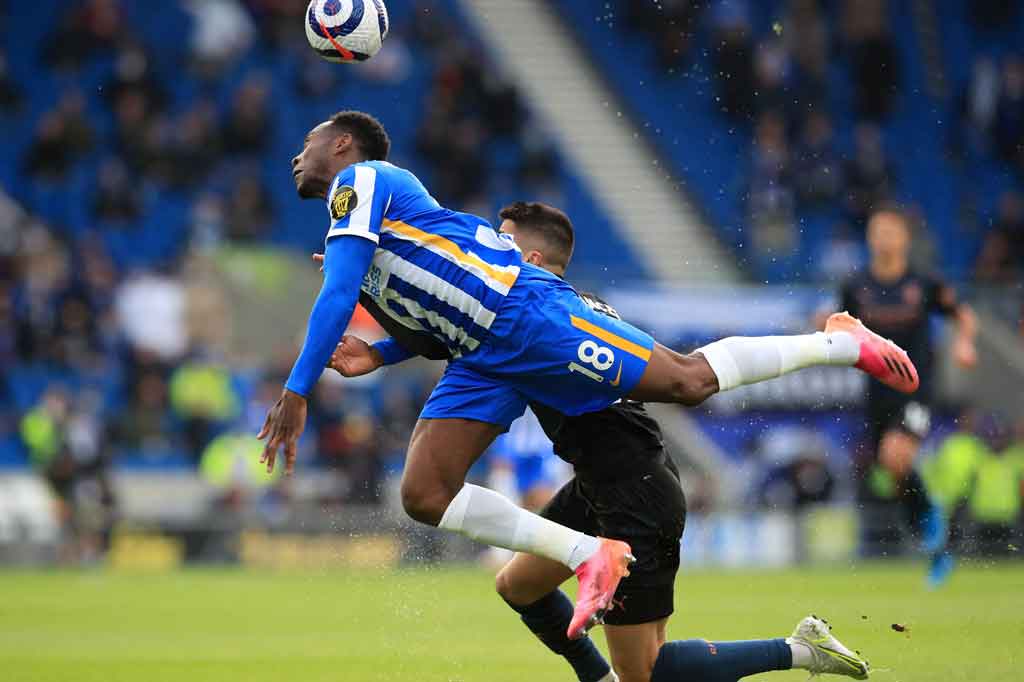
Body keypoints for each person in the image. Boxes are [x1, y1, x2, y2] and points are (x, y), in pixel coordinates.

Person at [258, 110, 918, 639]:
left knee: (686, 381)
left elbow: (340, 293)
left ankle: (837, 342)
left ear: (342, 145)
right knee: (425, 494)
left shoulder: (365, 180)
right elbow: (433, 309)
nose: (297, 155)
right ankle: (587, 554)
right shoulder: (360, 220)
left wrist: (296, 390)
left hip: (526, 316)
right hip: (482, 354)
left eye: (309, 142)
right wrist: (379, 353)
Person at [325, 202, 871, 682]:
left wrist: (374, 287)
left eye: (501, 240)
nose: (484, 251)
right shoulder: (542, 313)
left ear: (531, 260)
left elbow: (686, 379)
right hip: (596, 486)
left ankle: (799, 649)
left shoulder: (536, 322)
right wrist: (379, 338)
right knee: (519, 587)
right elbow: (452, 331)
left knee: (648, 671)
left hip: (635, 495)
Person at [826, 205, 977, 584]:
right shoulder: (856, 285)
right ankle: (935, 543)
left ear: (905, 238)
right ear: (869, 238)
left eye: (891, 231)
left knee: (895, 458)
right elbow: (840, 324)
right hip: (876, 395)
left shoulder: (924, 283)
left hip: (916, 389)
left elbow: (963, 315)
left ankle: (933, 523)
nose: (884, 238)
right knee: (893, 474)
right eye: (877, 231)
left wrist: (964, 344)